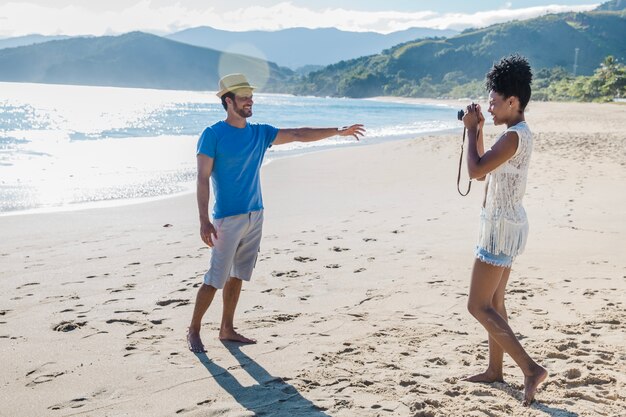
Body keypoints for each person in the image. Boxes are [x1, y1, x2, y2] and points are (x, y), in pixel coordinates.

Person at [187, 73, 365, 353]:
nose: (250, 101)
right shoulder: (212, 135)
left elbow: (297, 134)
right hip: (226, 219)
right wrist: (203, 221)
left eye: (251, 96)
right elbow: (201, 178)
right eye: (244, 96)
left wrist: (337, 130)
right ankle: (194, 330)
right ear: (228, 100)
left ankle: (226, 328)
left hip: (255, 215)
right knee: (215, 278)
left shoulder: (259, 133)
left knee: (238, 275)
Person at [461, 55, 547, 406]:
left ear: (514, 101)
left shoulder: (512, 138)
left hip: (499, 229)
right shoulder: (517, 134)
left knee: (477, 305)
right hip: (507, 224)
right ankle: (496, 370)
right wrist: (478, 130)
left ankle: (530, 369)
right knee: (495, 302)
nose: (491, 109)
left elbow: (473, 171)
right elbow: (483, 171)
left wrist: (470, 130)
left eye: (495, 103)